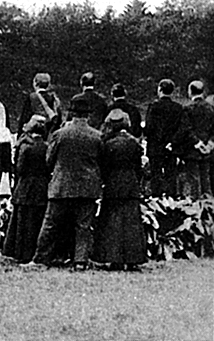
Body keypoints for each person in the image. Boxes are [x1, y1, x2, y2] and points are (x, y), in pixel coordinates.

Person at [26, 96, 104, 271]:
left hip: (61, 186)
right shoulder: (97, 136)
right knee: (83, 226)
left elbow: (49, 160)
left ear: (71, 114)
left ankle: (41, 259)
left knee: (51, 224)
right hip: (87, 187)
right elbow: (101, 161)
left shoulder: (60, 134)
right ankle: (80, 261)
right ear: (88, 116)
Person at [92, 110, 148, 271]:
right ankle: (133, 258)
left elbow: (103, 166)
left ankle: (112, 257)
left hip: (113, 183)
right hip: (130, 183)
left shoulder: (107, 144)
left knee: (112, 222)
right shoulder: (134, 143)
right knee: (131, 222)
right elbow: (138, 167)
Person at [2, 120, 49, 263]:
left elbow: (19, 168)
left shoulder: (25, 147)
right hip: (42, 187)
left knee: (23, 221)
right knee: (37, 220)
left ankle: (21, 253)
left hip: (25, 187)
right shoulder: (47, 146)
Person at [172, 80, 214, 199]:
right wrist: (210, 143)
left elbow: (186, 129)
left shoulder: (187, 109)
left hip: (192, 150)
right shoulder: (211, 108)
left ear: (190, 92)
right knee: (206, 181)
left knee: (194, 182)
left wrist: (197, 142)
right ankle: (209, 207)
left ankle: (197, 209)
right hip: (208, 150)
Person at [144, 79, 183, 197]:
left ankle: (157, 201)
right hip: (172, 147)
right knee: (171, 176)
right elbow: (181, 128)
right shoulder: (178, 108)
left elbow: (149, 127)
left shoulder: (153, 107)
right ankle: (171, 202)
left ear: (160, 90)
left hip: (156, 147)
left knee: (156, 176)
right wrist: (172, 142)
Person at [17, 73, 63, 138]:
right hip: (50, 136)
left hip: (34, 137)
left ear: (35, 83)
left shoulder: (32, 97)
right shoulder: (54, 99)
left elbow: (24, 119)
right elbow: (58, 122)